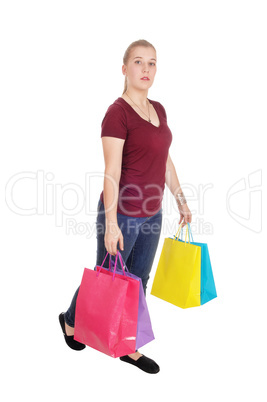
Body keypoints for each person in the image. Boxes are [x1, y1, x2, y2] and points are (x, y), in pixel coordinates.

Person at [59, 39, 192, 374]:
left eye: (152, 63)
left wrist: (180, 200)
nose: (146, 69)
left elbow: (165, 163)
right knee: (106, 277)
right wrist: (112, 223)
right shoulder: (117, 114)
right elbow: (111, 171)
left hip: (153, 211)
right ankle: (70, 320)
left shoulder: (159, 110)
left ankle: (129, 344)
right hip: (122, 214)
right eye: (138, 62)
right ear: (124, 68)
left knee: (137, 279)